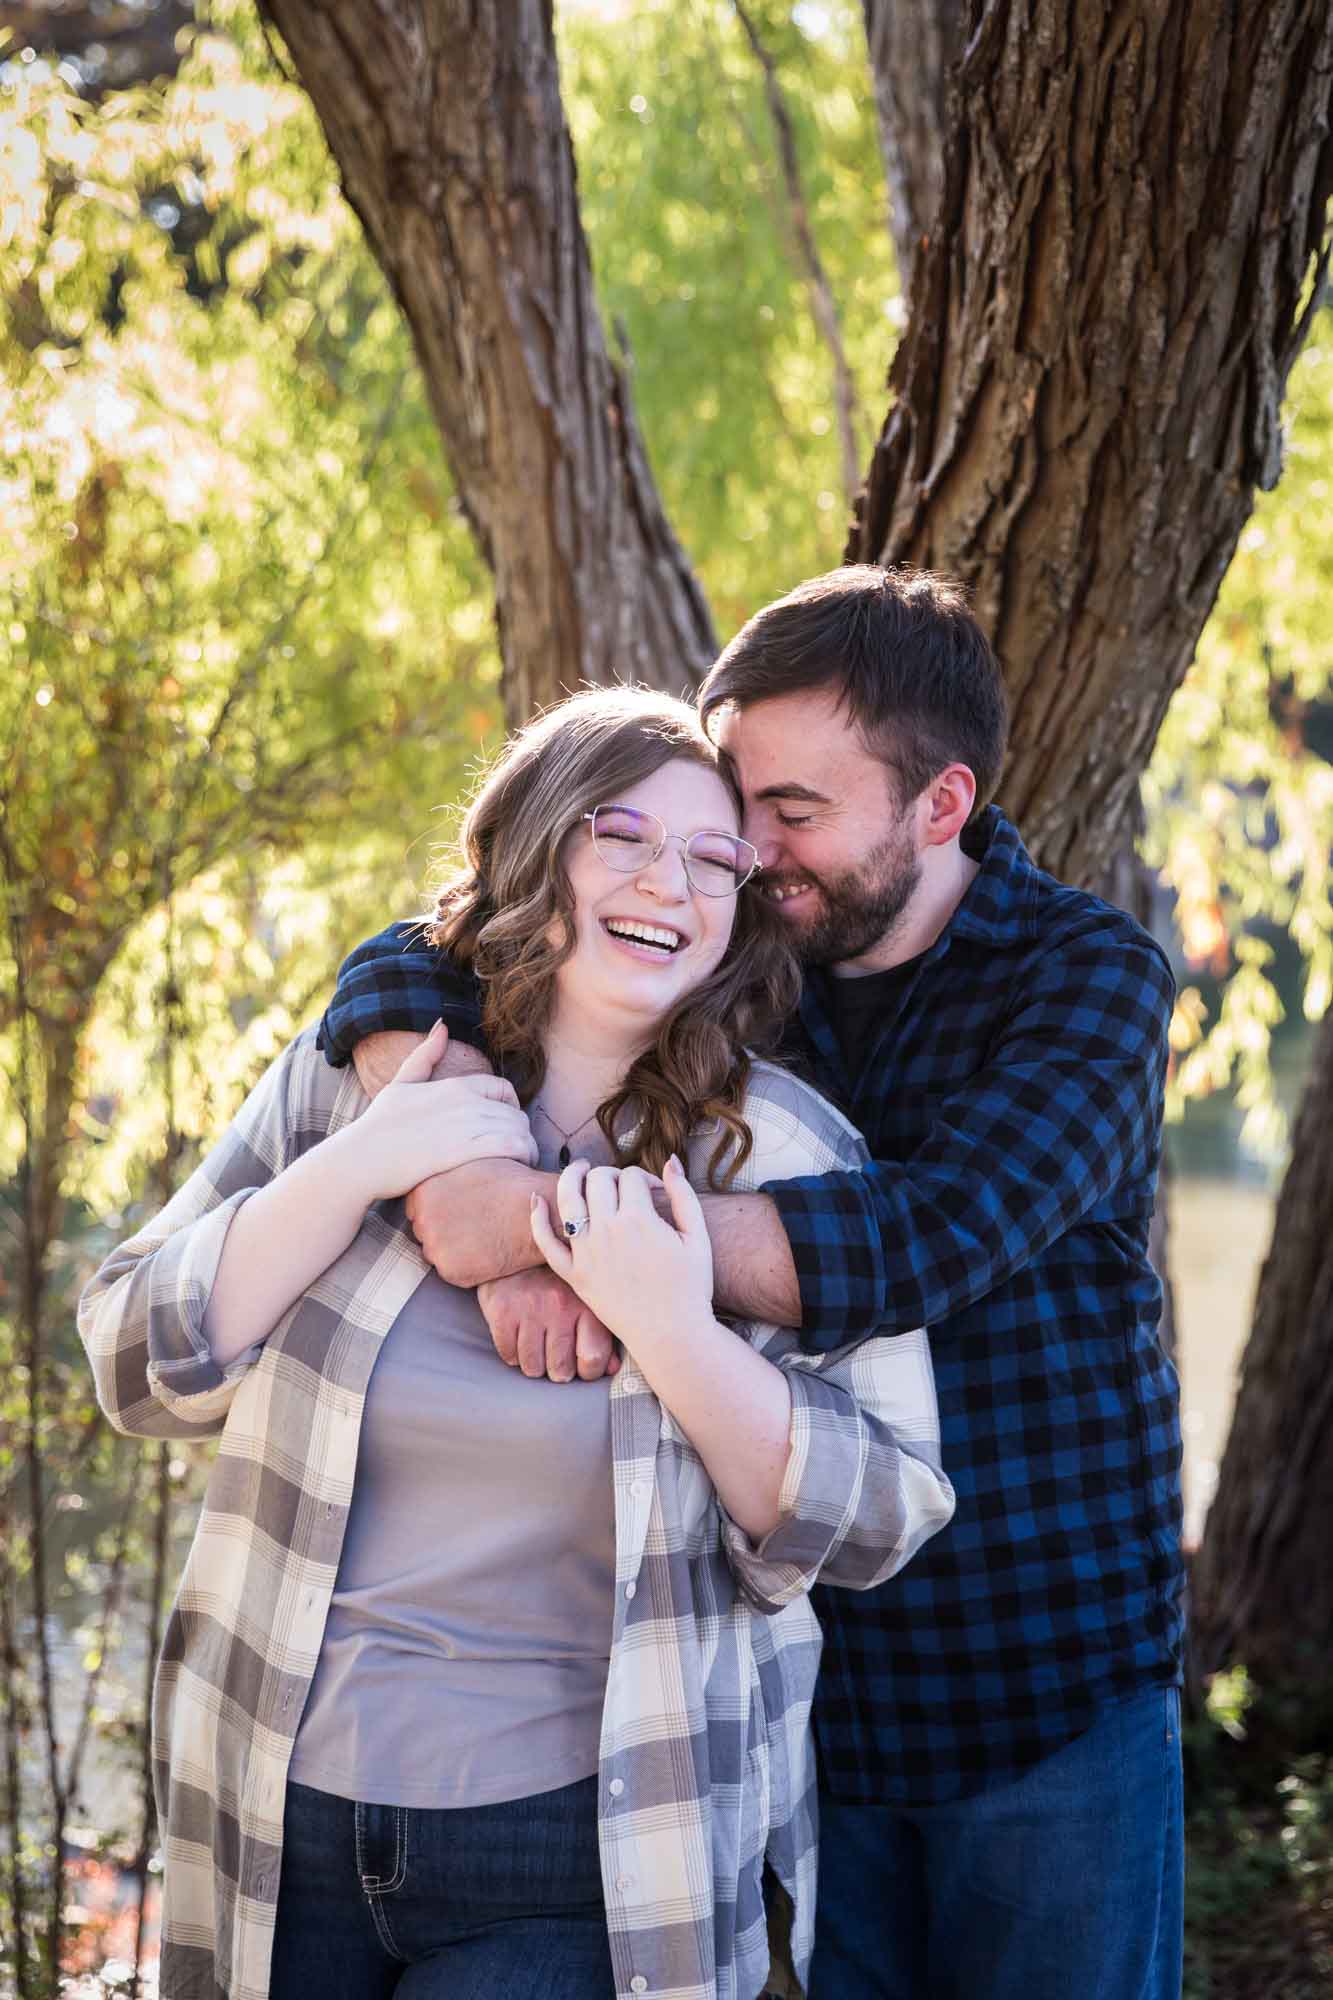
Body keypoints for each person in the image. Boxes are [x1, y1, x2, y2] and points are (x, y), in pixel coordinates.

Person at [320, 566, 1186, 2000]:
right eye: (738, 803)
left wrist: (545, 1225)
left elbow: (921, 1242)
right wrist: (439, 1155)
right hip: (793, 1700)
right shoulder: (736, 961)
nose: (744, 850)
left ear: (940, 806)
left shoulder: (1084, 980)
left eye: (792, 815)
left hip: (1044, 1693)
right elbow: (416, 955)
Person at [78, 685, 954, 2000]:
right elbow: (133, 1361)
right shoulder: (358, 1077)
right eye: (624, 837)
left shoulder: (779, 1156)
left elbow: (884, 1513)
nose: (676, 882)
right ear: (536, 851)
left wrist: (668, 1319)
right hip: (272, 1814)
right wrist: (366, 1166)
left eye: (716, 861)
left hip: (576, 1852)